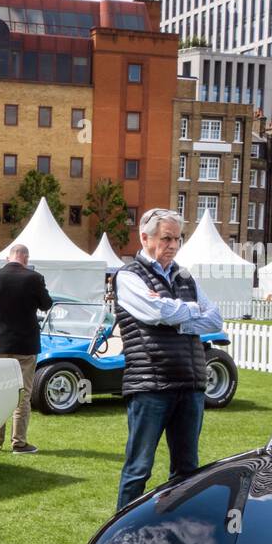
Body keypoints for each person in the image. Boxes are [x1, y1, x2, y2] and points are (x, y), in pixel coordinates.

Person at [113, 208, 223, 511]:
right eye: (167, 238)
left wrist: (177, 316)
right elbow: (155, 312)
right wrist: (186, 312)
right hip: (151, 383)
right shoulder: (129, 275)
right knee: (139, 469)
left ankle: (177, 529)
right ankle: (120, 533)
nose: (173, 245)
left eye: (178, 239)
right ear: (145, 237)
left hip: (190, 383)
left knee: (187, 470)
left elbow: (215, 319)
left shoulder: (184, 275)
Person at [0, 244, 51, 455]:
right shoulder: (34, 278)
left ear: (7, 257)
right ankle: (19, 442)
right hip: (25, 343)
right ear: (26, 258)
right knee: (23, 394)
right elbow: (46, 304)